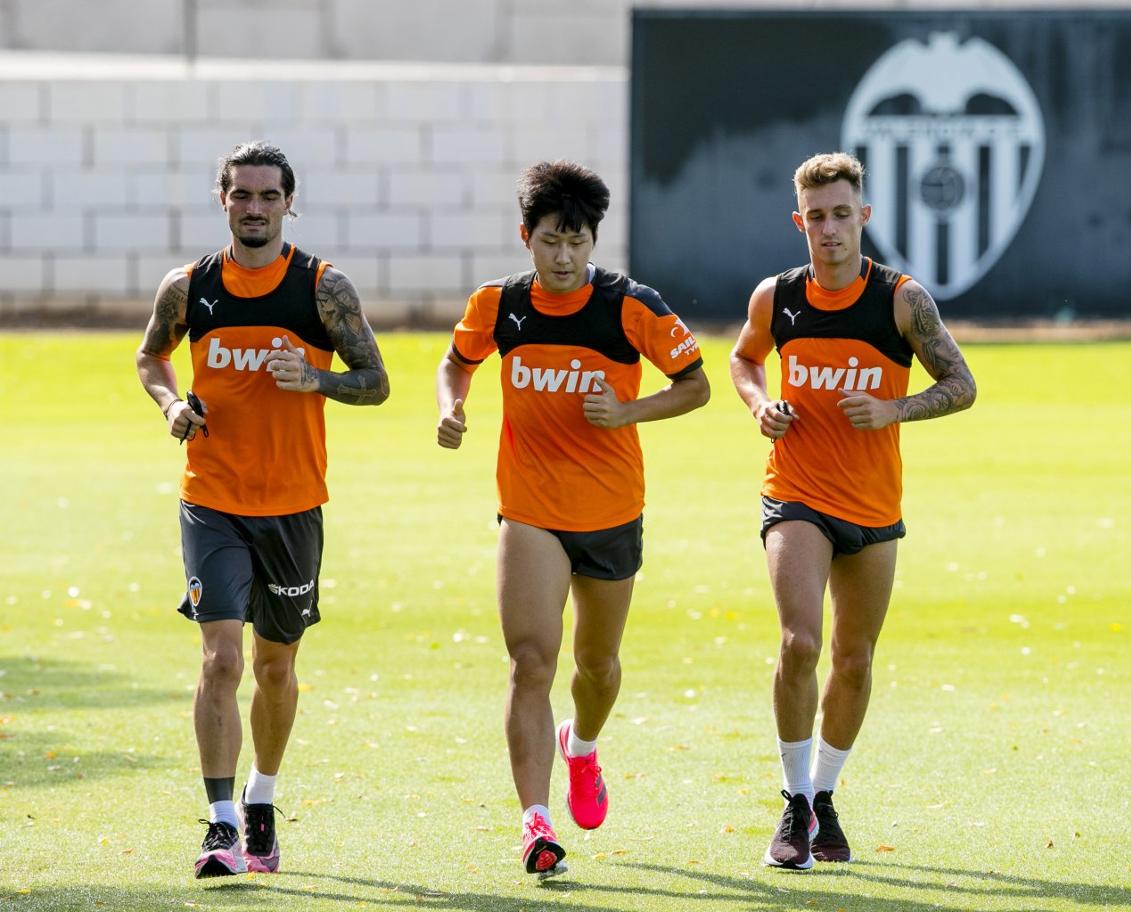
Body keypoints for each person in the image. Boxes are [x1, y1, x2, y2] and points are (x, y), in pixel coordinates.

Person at [436, 160, 710, 879]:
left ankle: (581, 746)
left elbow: (696, 385)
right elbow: (456, 361)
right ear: (526, 236)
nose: (563, 257)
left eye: (577, 242)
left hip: (612, 511)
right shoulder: (499, 304)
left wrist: (629, 411)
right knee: (531, 661)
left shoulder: (631, 307)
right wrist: (451, 405)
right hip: (530, 508)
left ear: (594, 242)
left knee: (598, 665)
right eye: (550, 241)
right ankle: (536, 823)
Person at [135, 141, 389, 879]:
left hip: (293, 505)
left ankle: (260, 800)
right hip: (211, 498)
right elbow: (153, 356)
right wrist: (172, 403)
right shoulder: (189, 287)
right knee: (221, 658)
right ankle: (218, 825)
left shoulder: (321, 287)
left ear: (288, 202)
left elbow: (374, 382)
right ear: (223, 200)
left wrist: (315, 378)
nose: (254, 207)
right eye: (241, 195)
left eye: (267, 196)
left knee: (276, 668)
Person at [729, 152, 976, 870]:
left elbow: (961, 383)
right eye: (816, 218)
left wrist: (894, 407)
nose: (829, 229)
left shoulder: (900, 300)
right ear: (798, 222)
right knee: (800, 644)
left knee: (855, 660)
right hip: (796, 494)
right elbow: (744, 361)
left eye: (842, 215)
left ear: (863, 217)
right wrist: (760, 404)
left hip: (872, 504)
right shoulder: (775, 297)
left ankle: (825, 798)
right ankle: (793, 802)